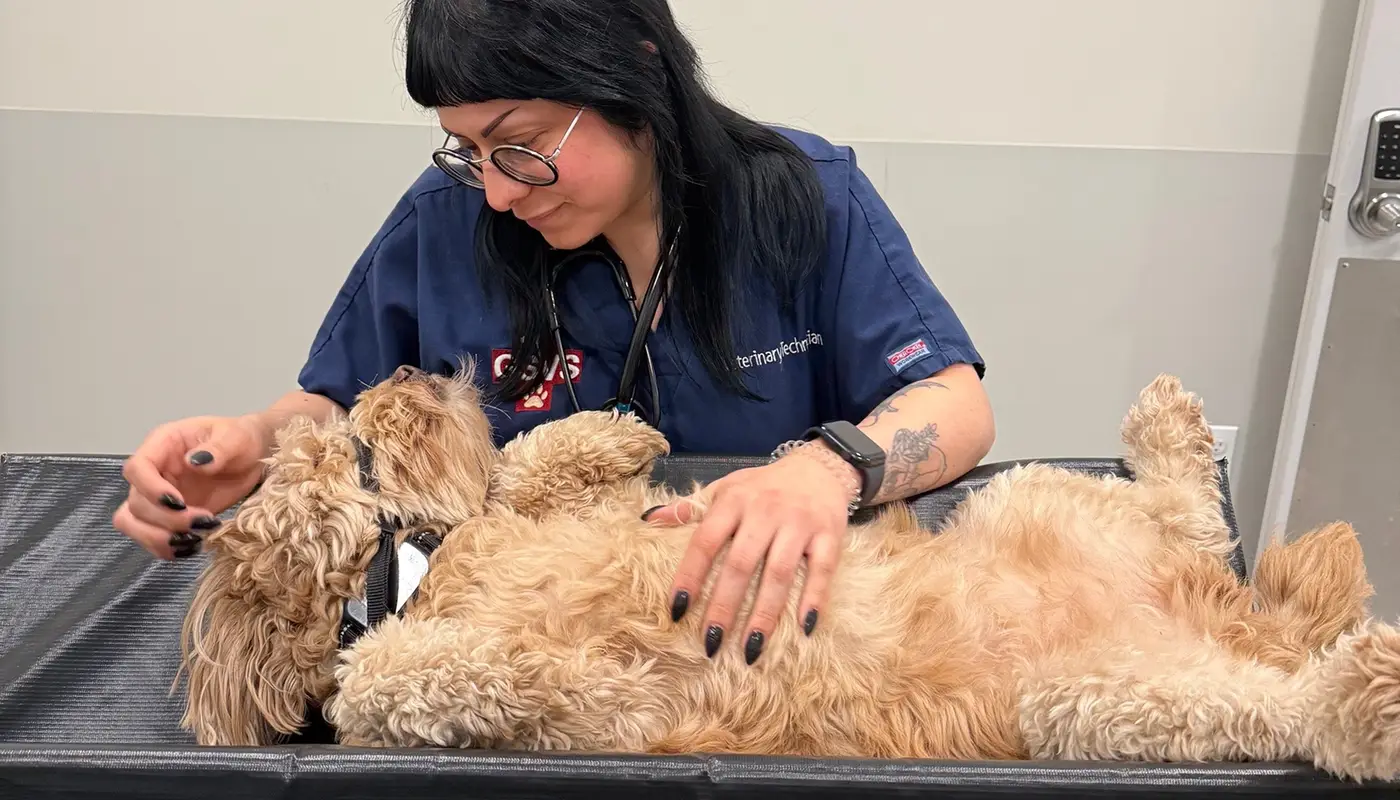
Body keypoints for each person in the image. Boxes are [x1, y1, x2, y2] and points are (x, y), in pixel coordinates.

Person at [113, 0, 995, 666]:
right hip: (530, 660)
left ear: (638, 78)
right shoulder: (444, 222)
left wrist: (819, 471)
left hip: (770, 657)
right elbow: (335, 407)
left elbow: (953, 403)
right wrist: (252, 443)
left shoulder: (808, 199)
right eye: (466, 149)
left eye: (522, 143)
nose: (497, 191)